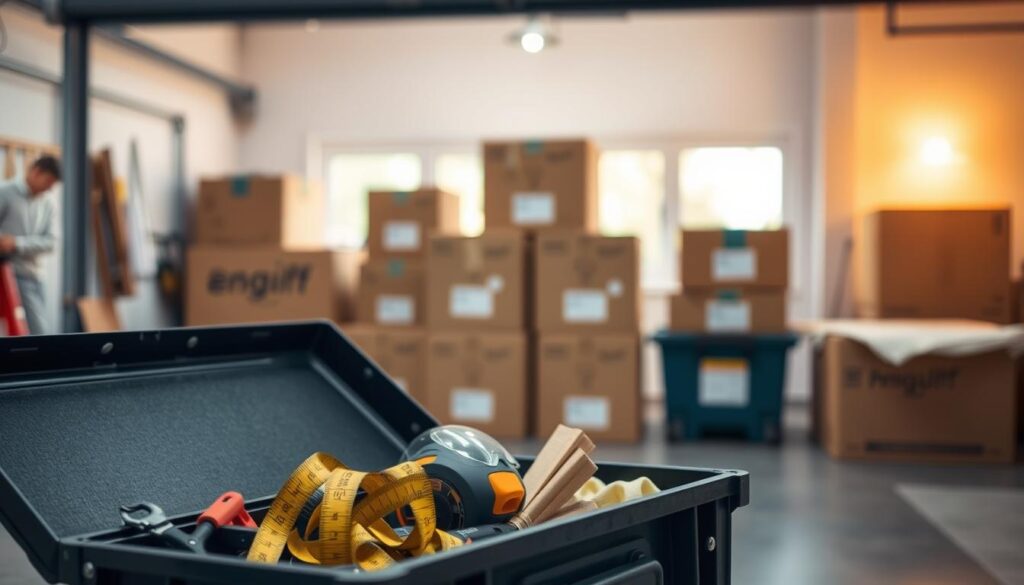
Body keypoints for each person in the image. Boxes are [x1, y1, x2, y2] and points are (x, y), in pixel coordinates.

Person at [0, 155, 61, 335]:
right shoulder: (5, 192)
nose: (50, 187)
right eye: (48, 181)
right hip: (8, 274)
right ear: (36, 172)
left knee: (36, 331)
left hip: (36, 275)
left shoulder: (49, 203)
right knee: (32, 331)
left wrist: (17, 243)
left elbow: (52, 242)